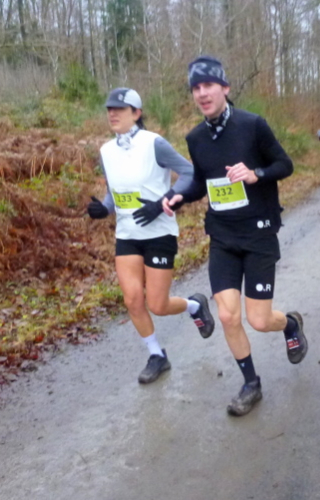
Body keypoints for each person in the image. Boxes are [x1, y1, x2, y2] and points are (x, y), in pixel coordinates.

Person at [163, 56, 308, 417]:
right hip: (223, 237)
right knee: (228, 316)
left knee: (259, 320)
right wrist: (179, 196)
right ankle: (250, 384)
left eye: (208, 86)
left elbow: (285, 165)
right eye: (196, 88)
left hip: (258, 235)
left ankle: (290, 324)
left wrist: (256, 173)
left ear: (225, 88)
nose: (202, 93)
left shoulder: (252, 125)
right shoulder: (196, 138)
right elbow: (201, 183)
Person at [86, 87, 215, 384]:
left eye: (120, 109)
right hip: (127, 234)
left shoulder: (153, 143)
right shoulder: (106, 151)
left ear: (137, 113)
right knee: (132, 300)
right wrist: (103, 209)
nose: (112, 114)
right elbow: (113, 193)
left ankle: (194, 306)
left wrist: (164, 201)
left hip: (159, 232)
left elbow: (189, 173)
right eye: (109, 109)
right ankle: (157, 354)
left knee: (158, 304)